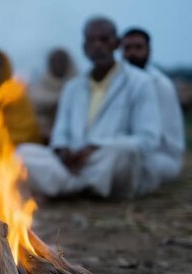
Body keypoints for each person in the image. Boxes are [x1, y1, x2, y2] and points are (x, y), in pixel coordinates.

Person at [17, 17, 161, 199]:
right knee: (22, 152)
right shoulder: (73, 87)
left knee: (126, 153)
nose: (98, 46)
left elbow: (148, 139)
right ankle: (84, 187)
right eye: (91, 41)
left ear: (116, 43)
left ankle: (70, 188)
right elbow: (60, 133)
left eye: (104, 40)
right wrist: (63, 152)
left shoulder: (140, 82)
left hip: (106, 159)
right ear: (84, 47)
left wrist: (95, 148)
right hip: (73, 165)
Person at [121, 27, 185, 191]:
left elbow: (155, 138)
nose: (133, 53)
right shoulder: (120, 84)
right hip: (130, 151)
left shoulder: (161, 85)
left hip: (160, 157)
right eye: (127, 48)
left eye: (138, 47)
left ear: (149, 51)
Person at [28, 48, 77, 143]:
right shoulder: (39, 85)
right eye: (54, 61)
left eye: (61, 61)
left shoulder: (79, 87)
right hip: (41, 138)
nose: (58, 64)